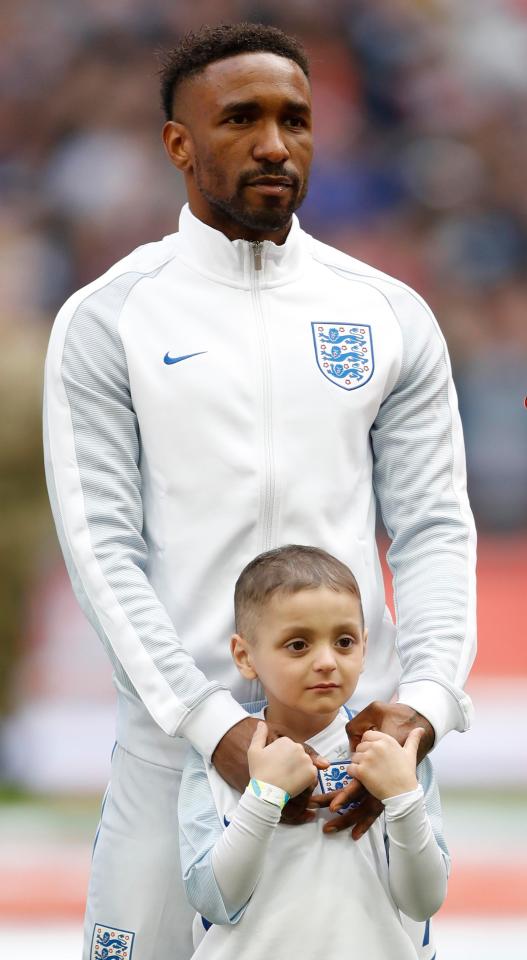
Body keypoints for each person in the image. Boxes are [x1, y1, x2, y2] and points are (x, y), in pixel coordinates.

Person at [43, 22, 476, 960]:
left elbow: (436, 527)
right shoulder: (110, 318)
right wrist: (213, 728)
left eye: (296, 119)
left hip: (357, 759)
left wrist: (426, 706)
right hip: (175, 755)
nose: (275, 143)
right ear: (178, 143)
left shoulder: (384, 312)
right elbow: (100, 545)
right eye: (240, 118)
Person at [179, 544, 448, 960]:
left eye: (343, 642)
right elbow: (214, 900)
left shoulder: (395, 748)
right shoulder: (218, 754)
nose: (326, 661)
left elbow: (424, 901)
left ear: (364, 648)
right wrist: (264, 796)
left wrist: (403, 798)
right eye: (298, 645)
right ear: (244, 655)